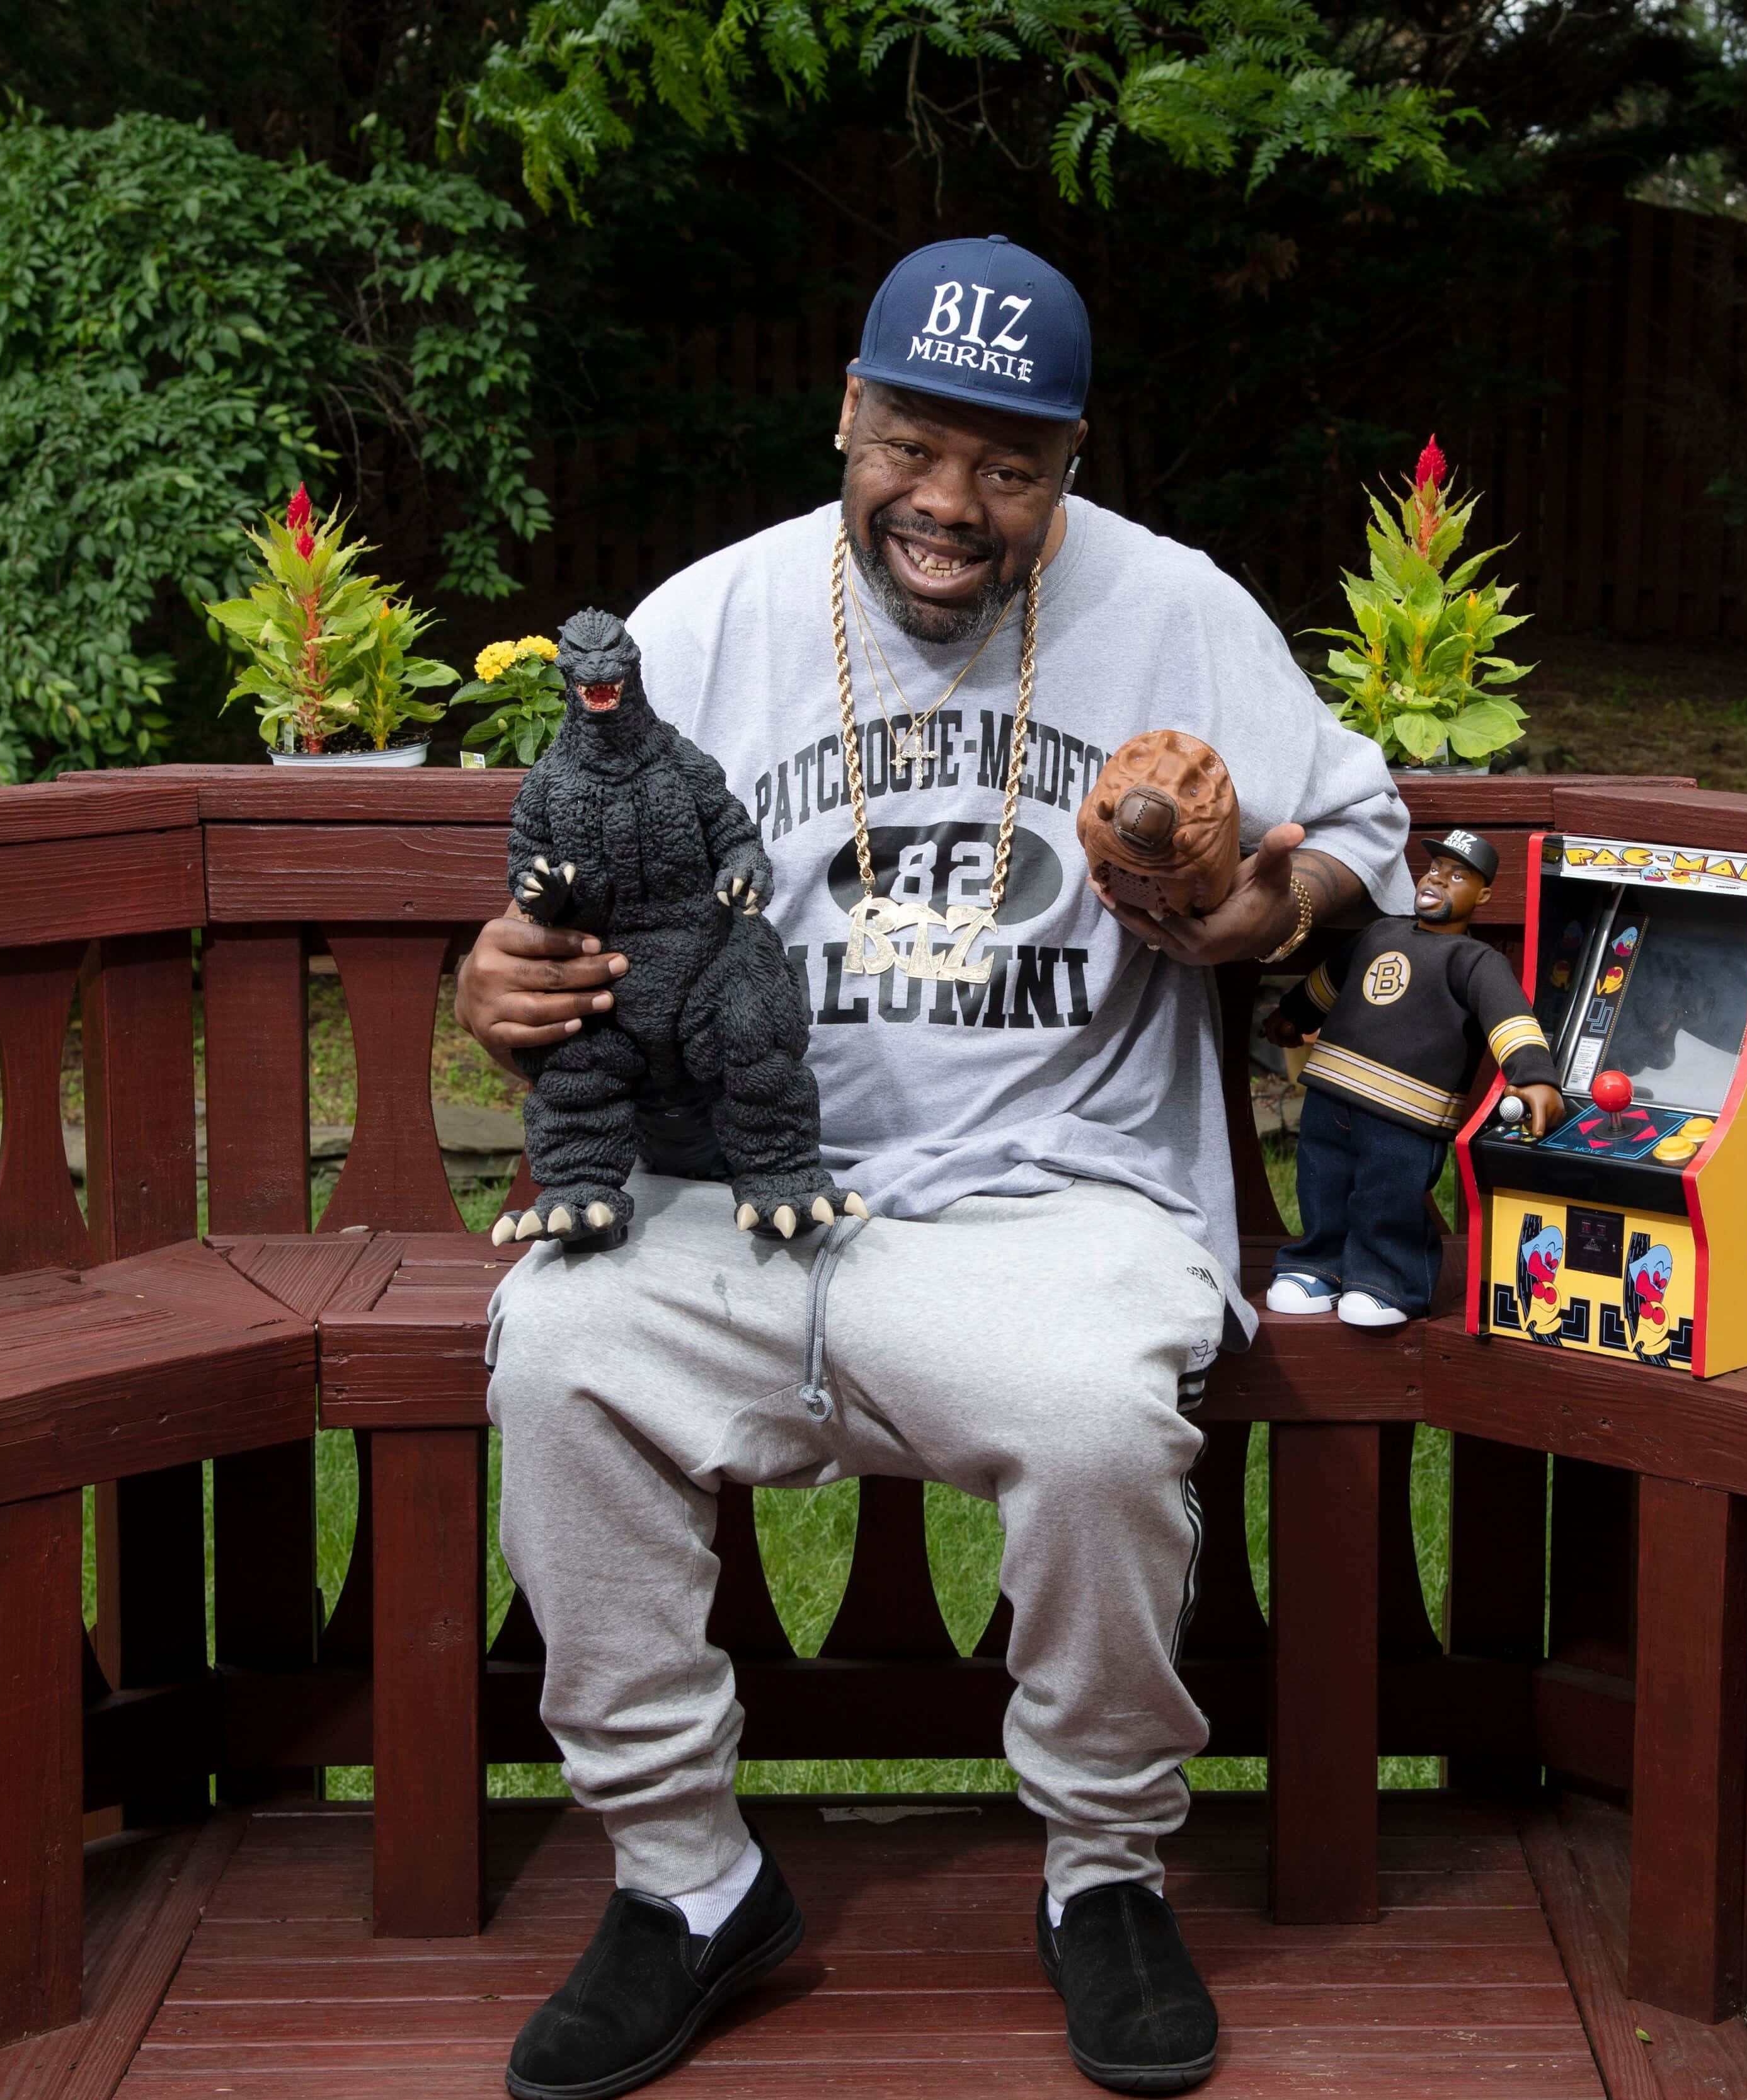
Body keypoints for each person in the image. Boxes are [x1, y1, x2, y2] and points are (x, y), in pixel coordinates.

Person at [461, 234, 1409, 2100]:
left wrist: (1269, 903)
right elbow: (563, 905)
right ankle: (682, 1879)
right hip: (737, 1188)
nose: (951, 504)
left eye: (1009, 465)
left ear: (1070, 462)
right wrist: (505, 985)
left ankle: (1103, 1870)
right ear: (846, 414)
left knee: (1092, 1416)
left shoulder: (1175, 609)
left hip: (1060, 1195)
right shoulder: (707, 626)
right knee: (558, 1354)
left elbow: (1363, 823)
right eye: (912, 444)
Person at [1260, 829, 1566, 1327]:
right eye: (1435, 869)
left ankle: (1387, 1278)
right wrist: (1294, 1013)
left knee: (1389, 1193)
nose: (1438, 880)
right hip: (1332, 1089)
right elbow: (1330, 980)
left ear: (1483, 895)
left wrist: (1534, 1075)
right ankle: (1317, 1264)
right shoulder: (1380, 932)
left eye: (1458, 876)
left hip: (1405, 1109)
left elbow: (1509, 1017)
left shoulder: (1475, 961)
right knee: (1320, 1181)